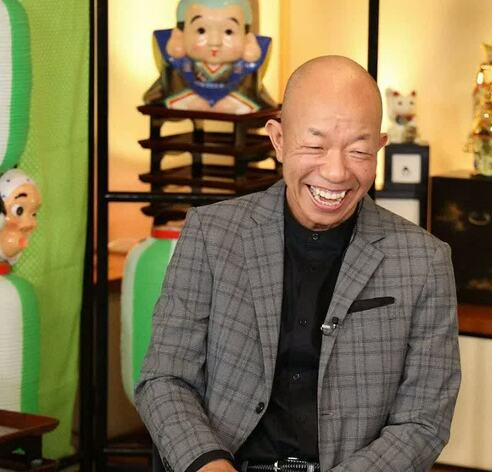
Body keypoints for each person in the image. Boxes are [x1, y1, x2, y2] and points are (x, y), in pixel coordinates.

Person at [135, 55, 461, 472]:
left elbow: (423, 422)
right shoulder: (212, 234)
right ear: (278, 140)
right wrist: (210, 465)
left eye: (359, 150)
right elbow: (165, 379)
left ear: (380, 147)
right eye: (315, 145)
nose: (336, 172)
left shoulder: (424, 261)